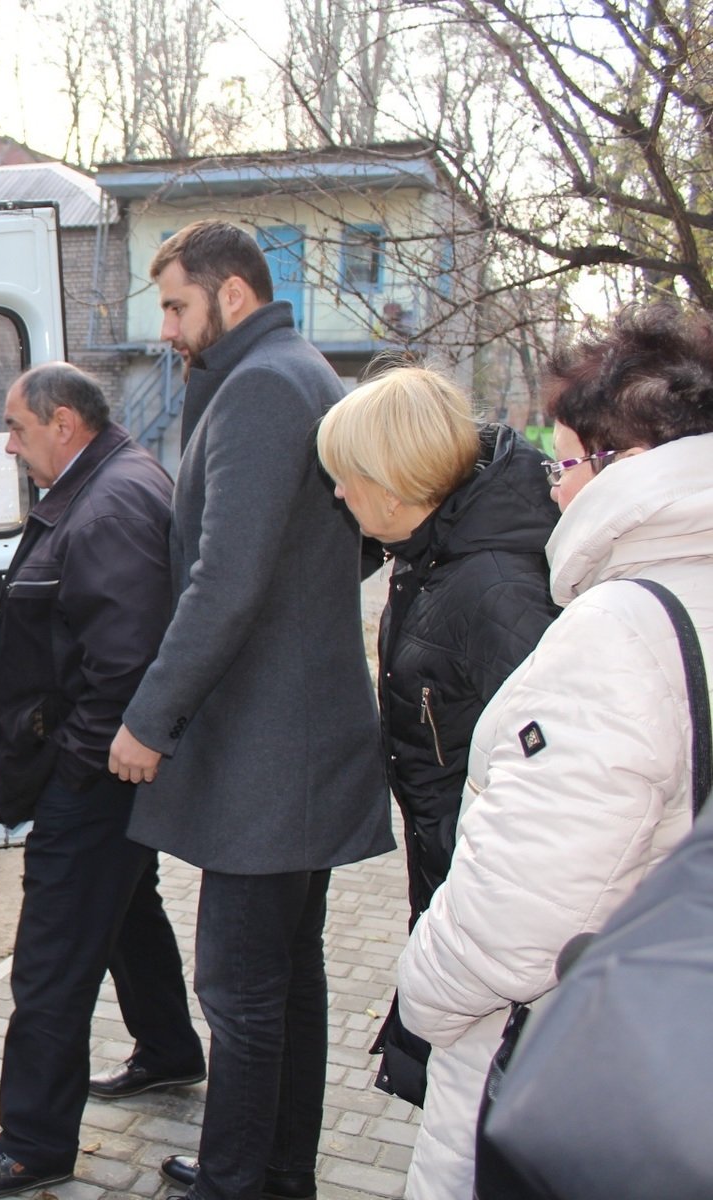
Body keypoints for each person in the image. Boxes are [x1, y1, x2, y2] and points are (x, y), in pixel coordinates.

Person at [396, 301, 713, 1199]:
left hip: (561, 1043)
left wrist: (421, 986)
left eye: (568, 459)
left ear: (630, 462)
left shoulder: (619, 629)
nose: (553, 485)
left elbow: (520, 919)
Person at [107, 220, 395, 1200]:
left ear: (232, 295)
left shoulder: (265, 387)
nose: (168, 330)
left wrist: (149, 720)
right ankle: (273, 1167)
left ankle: (239, 1180)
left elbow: (223, 581)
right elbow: (335, 551)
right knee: (282, 983)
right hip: (294, 743)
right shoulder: (296, 371)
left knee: (239, 989)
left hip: (274, 755)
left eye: (179, 307)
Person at [0, 362, 202, 1198]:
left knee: (50, 961)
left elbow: (126, 663)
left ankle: (32, 1144)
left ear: (62, 424)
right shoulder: (110, 477)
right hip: (108, 775)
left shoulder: (111, 502)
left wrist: (75, 771)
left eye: (15, 428)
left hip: (96, 776)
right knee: (126, 905)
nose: (10, 446)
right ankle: (168, 1050)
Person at [317, 367, 560, 923]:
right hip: (450, 878)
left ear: (390, 483)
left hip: (488, 906)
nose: (338, 492)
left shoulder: (497, 591)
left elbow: (547, 790)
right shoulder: (428, 554)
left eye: (345, 475)